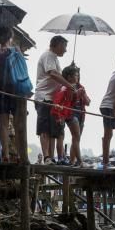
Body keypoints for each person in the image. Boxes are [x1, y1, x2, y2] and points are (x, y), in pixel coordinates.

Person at [34, 35, 74, 164]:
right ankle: (46, 157)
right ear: (56, 45)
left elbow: (58, 75)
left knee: (52, 130)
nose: (65, 50)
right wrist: (68, 84)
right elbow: (52, 73)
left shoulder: (54, 58)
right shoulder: (49, 55)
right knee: (44, 128)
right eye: (64, 46)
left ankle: (50, 157)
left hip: (52, 99)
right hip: (44, 97)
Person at [0, 26, 18, 162]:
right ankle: (19, 154)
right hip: (14, 91)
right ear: (9, 38)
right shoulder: (15, 51)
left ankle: (5, 155)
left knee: (4, 124)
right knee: (18, 124)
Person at [51, 64, 87, 166]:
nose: (77, 77)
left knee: (76, 137)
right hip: (68, 114)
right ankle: (79, 161)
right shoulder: (65, 87)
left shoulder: (77, 87)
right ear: (69, 77)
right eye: (76, 75)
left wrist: (81, 94)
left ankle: (74, 161)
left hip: (74, 114)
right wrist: (59, 115)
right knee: (74, 136)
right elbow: (61, 100)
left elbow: (83, 101)